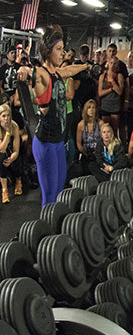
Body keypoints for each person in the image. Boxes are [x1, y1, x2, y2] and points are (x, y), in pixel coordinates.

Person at [17, 25, 91, 206]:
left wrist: (86, 66)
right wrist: (24, 70)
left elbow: (70, 70)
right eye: (58, 49)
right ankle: (46, 223)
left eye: (63, 49)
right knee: (50, 194)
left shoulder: (57, 73)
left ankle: (55, 222)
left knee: (59, 190)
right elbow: (31, 73)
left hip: (58, 142)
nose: (62, 53)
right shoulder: (42, 74)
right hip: (45, 143)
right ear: (47, 50)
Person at [98, 49, 124, 135]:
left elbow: (120, 92)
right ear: (108, 63)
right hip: (105, 106)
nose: (113, 65)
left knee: (114, 131)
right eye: (111, 63)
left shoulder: (119, 76)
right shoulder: (102, 76)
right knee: (105, 130)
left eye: (115, 63)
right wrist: (111, 89)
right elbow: (100, 93)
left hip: (115, 106)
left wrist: (112, 81)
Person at [0, 102, 22, 203]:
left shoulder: (14, 126)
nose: (6, 118)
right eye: (3, 116)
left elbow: (16, 150)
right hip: (3, 152)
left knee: (16, 158)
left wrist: (12, 158)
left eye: (8, 115)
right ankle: (4, 190)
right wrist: (8, 133)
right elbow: (2, 149)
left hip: (12, 152)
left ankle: (18, 180)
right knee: (1, 158)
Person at [76, 99, 102, 175]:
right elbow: (78, 143)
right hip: (86, 153)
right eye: (89, 107)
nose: (91, 110)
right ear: (86, 110)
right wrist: (84, 152)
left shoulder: (100, 123)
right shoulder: (81, 125)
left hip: (98, 153)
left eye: (93, 107)